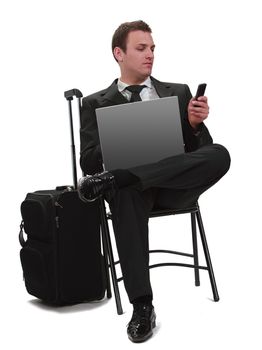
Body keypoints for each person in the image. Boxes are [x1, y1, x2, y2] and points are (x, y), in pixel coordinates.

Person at [78, 20, 231, 343]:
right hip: (133, 198)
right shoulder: (94, 103)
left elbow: (200, 154)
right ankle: (143, 306)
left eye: (152, 48)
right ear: (118, 54)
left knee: (221, 154)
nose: (150, 55)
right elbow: (89, 162)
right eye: (141, 48)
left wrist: (191, 125)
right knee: (123, 191)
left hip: (176, 190)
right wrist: (118, 133)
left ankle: (128, 176)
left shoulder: (177, 93)